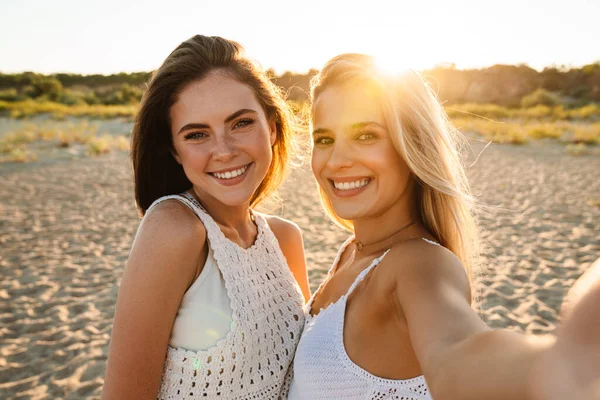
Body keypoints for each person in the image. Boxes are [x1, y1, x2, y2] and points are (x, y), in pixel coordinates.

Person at [287, 53, 600, 400]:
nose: (338, 160)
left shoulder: (419, 265)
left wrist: (557, 367)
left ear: (413, 145)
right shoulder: (352, 251)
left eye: (365, 136)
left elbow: (455, 354)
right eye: (325, 139)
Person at [102, 35, 310, 399]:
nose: (224, 150)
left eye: (241, 123)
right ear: (175, 151)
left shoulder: (286, 238)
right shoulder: (174, 228)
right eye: (197, 134)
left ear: (273, 127)